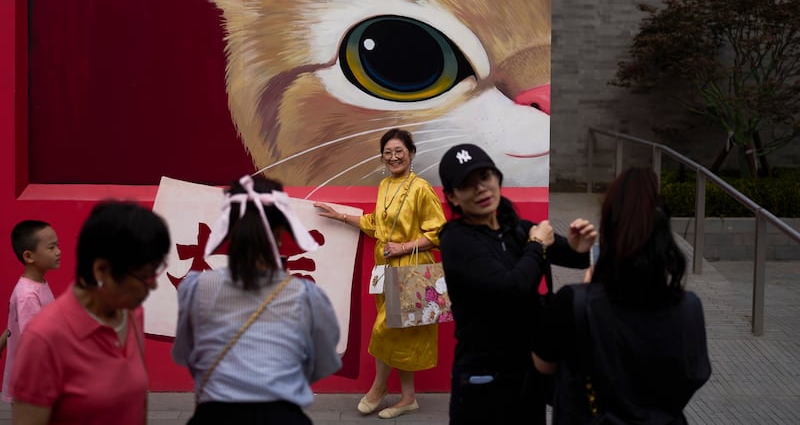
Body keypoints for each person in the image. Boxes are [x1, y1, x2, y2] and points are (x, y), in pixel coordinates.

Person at [532, 167, 711, 424]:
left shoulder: (575, 302)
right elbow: (695, 374)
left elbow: (543, 365)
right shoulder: (689, 307)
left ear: (608, 233)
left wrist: (585, 291)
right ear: (664, 239)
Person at [437, 143, 597, 425]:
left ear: (497, 178)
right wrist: (537, 244)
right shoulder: (456, 240)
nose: (481, 189)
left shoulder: (517, 228)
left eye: (485, 177)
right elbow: (511, 289)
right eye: (467, 184)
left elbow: (572, 255)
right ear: (453, 197)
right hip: (483, 381)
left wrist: (579, 246)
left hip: (528, 378)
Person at [173, 175, 341, 425]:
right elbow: (323, 363)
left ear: (228, 229)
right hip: (283, 418)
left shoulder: (196, 289)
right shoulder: (306, 296)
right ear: (280, 233)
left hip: (214, 418)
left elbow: (186, 355)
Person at [314, 128, 447, 419]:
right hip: (385, 270)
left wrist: (404, 247)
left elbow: (438, 232)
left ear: (411, 153)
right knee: (403, 335)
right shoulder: (385, 185)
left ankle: (378, 388)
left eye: (399, 151)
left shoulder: (421, 188)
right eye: (388, 153)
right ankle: (408, 398)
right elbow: (377, 224)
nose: (393, 157)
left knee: (385, 330)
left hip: (412, 269)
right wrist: (341, 217)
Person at [10, 201, 170, 425]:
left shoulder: (132, 316)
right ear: (101, 270)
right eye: (144, 275)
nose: (152, 286)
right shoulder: (44, 339)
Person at [2, 220, 61, 403]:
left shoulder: (38, 284)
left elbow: (13, 325)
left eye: (57, 245)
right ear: (29, 256)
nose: (58, 251)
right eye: (51, 247)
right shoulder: (27, 295)